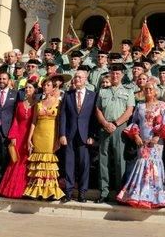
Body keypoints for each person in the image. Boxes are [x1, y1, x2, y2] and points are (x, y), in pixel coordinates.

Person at [117, 81, 165, 208]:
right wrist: (136, 135)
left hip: (156, 142)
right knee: (142, 166)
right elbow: (135, 122)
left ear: (155, 91)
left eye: (150, 89)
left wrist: (157, 136)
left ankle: (155, 198)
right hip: (141, 141)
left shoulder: (162, 105)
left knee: (155, 168)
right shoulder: (140, 106)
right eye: (146, 89)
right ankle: (139, 196)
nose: (148, 91)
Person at [95, 63, 135, 203]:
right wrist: (105, 123)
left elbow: (129, 111)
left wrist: (115, 124)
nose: (115, 75)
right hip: (104, 127)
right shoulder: (102, 91)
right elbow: (98, 110)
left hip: (120, 127)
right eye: (113, 73)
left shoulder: (128, 91)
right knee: (103, 161)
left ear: (122, 75)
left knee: (120, 161)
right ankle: (104, 192)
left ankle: (120, 192)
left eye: (118, 73)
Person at [23, 75, 68, 200]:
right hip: (38, 134)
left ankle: (50, 191)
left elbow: (60, 122)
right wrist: (29, 138)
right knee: (38, 164)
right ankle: (36, 191)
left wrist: (59, 137)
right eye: (44, 85)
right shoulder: (39, 103)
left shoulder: (59, 102)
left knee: (48, 162)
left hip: (51, 134)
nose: (45, 87)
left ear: (54, 88)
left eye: (48, 85)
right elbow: (33, 122)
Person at [59, 70, 96, 202]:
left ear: (86, 79)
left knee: (84, 165)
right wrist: (62, 134)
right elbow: (62, 115)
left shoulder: (93, 95)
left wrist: (92, 135)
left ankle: (82, 192)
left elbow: (94, 118)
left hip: (85, 135)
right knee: (69, 164)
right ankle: (68, 191)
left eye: (80, 77)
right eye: (75, 77)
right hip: (69, 135)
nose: (77, 79)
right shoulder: (68, 95)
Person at [0, 77, 38, 198]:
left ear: (35, 90)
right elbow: (15, 120)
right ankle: (12, 190)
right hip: (19, 135)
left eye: (30, 87)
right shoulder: (20, 104)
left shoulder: (37, 104)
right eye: (26, 87)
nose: (27, 89)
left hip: (30, 135)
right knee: (16, 160)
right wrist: (13, 136)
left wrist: (32, 138)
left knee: (27, 161)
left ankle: (26, 190)